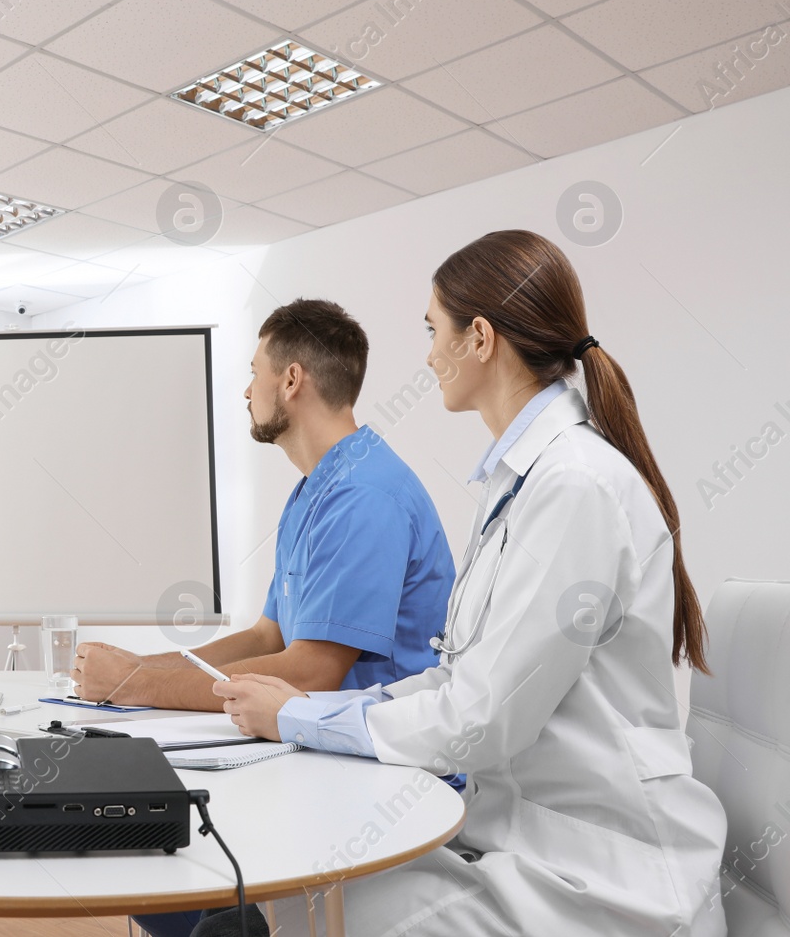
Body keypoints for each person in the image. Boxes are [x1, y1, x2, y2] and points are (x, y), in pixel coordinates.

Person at [207, 230, 727, 936]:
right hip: (523, 836)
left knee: (312, 904)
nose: (426, 355)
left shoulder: (573, 485)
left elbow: (482, 718)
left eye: (433, 330)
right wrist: (303, 710)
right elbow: (462, 678)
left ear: (478, 338)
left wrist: (299, 715)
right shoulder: (521, 484)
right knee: (301, 891)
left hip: (604, 871)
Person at [73, 299, 455, 714]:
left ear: (291, 380)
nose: (247, 390)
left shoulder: (363, 497)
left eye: (255, 373)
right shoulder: (315, 491)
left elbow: (311, 672)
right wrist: (139, 666)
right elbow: (266, 638)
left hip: (385, 759)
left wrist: (134, 685)